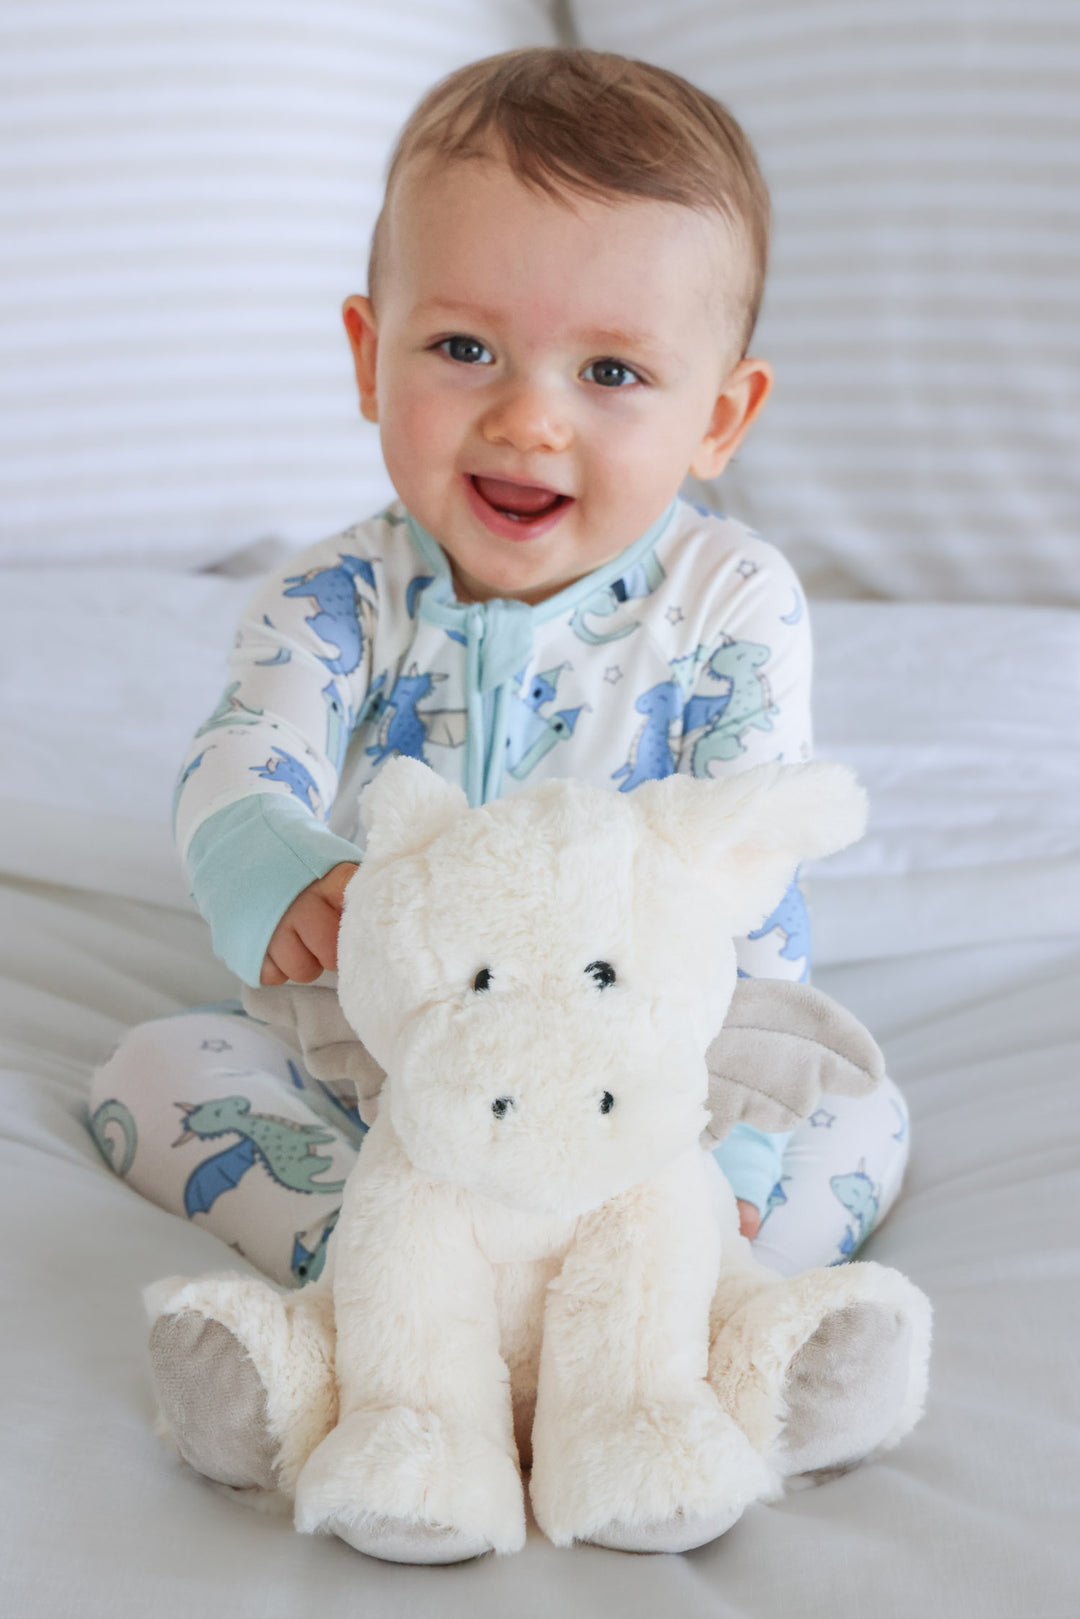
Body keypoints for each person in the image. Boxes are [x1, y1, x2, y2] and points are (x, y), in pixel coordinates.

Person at [90, 48, 907, 1301]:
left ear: (721, 419)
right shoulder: (338, 597)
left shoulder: (730, 602)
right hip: (385, 1072)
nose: (529, 418)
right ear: (370, 357)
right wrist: (276, 859)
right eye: (465, 347)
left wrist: (727, 1143)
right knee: (155, 1075)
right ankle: (388, 1280)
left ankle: (686, 1287)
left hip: (638, 1083)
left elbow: (748, 867)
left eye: (612, 372)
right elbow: (244, 756)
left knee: (860, 1119)